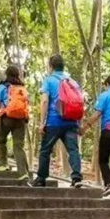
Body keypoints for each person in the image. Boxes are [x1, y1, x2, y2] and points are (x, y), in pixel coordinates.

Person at [32, 54, 83, 188]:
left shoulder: (49, 80)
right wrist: (79, 124)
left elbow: (44, 101)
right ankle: (77, 177)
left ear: (51, 66)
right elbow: (80, 103)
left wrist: (42, 123)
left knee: (45, 150)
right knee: (73, 150)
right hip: (71, 122)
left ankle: (41, 178)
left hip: (54, 121)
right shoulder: (73, 82)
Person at [0, 65, 30, 180]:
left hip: (6, 117)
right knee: (19, 145)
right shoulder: (22, 88)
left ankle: (3, 164)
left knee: (1, 140)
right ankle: (23, 172)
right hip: (21, 120)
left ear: (7, 74)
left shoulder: (3, 87)